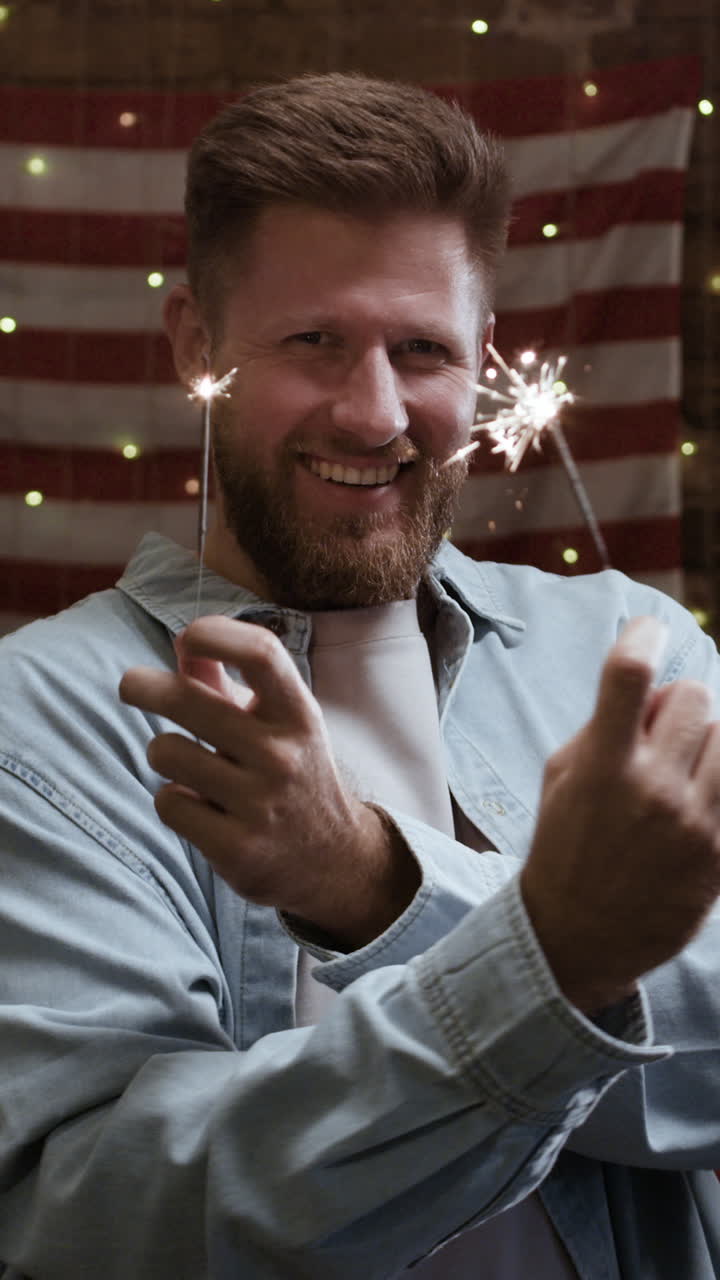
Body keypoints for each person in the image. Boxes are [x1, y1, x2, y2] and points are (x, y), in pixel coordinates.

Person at [1, 72, 720, 1280]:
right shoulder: (38, 716)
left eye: (424, 349)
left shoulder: (628, 645)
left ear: (484, 357)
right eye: (315, 341)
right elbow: (101, 1215)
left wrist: (374, 880)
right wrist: (560, 956)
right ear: (195, 342)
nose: (374, 412)